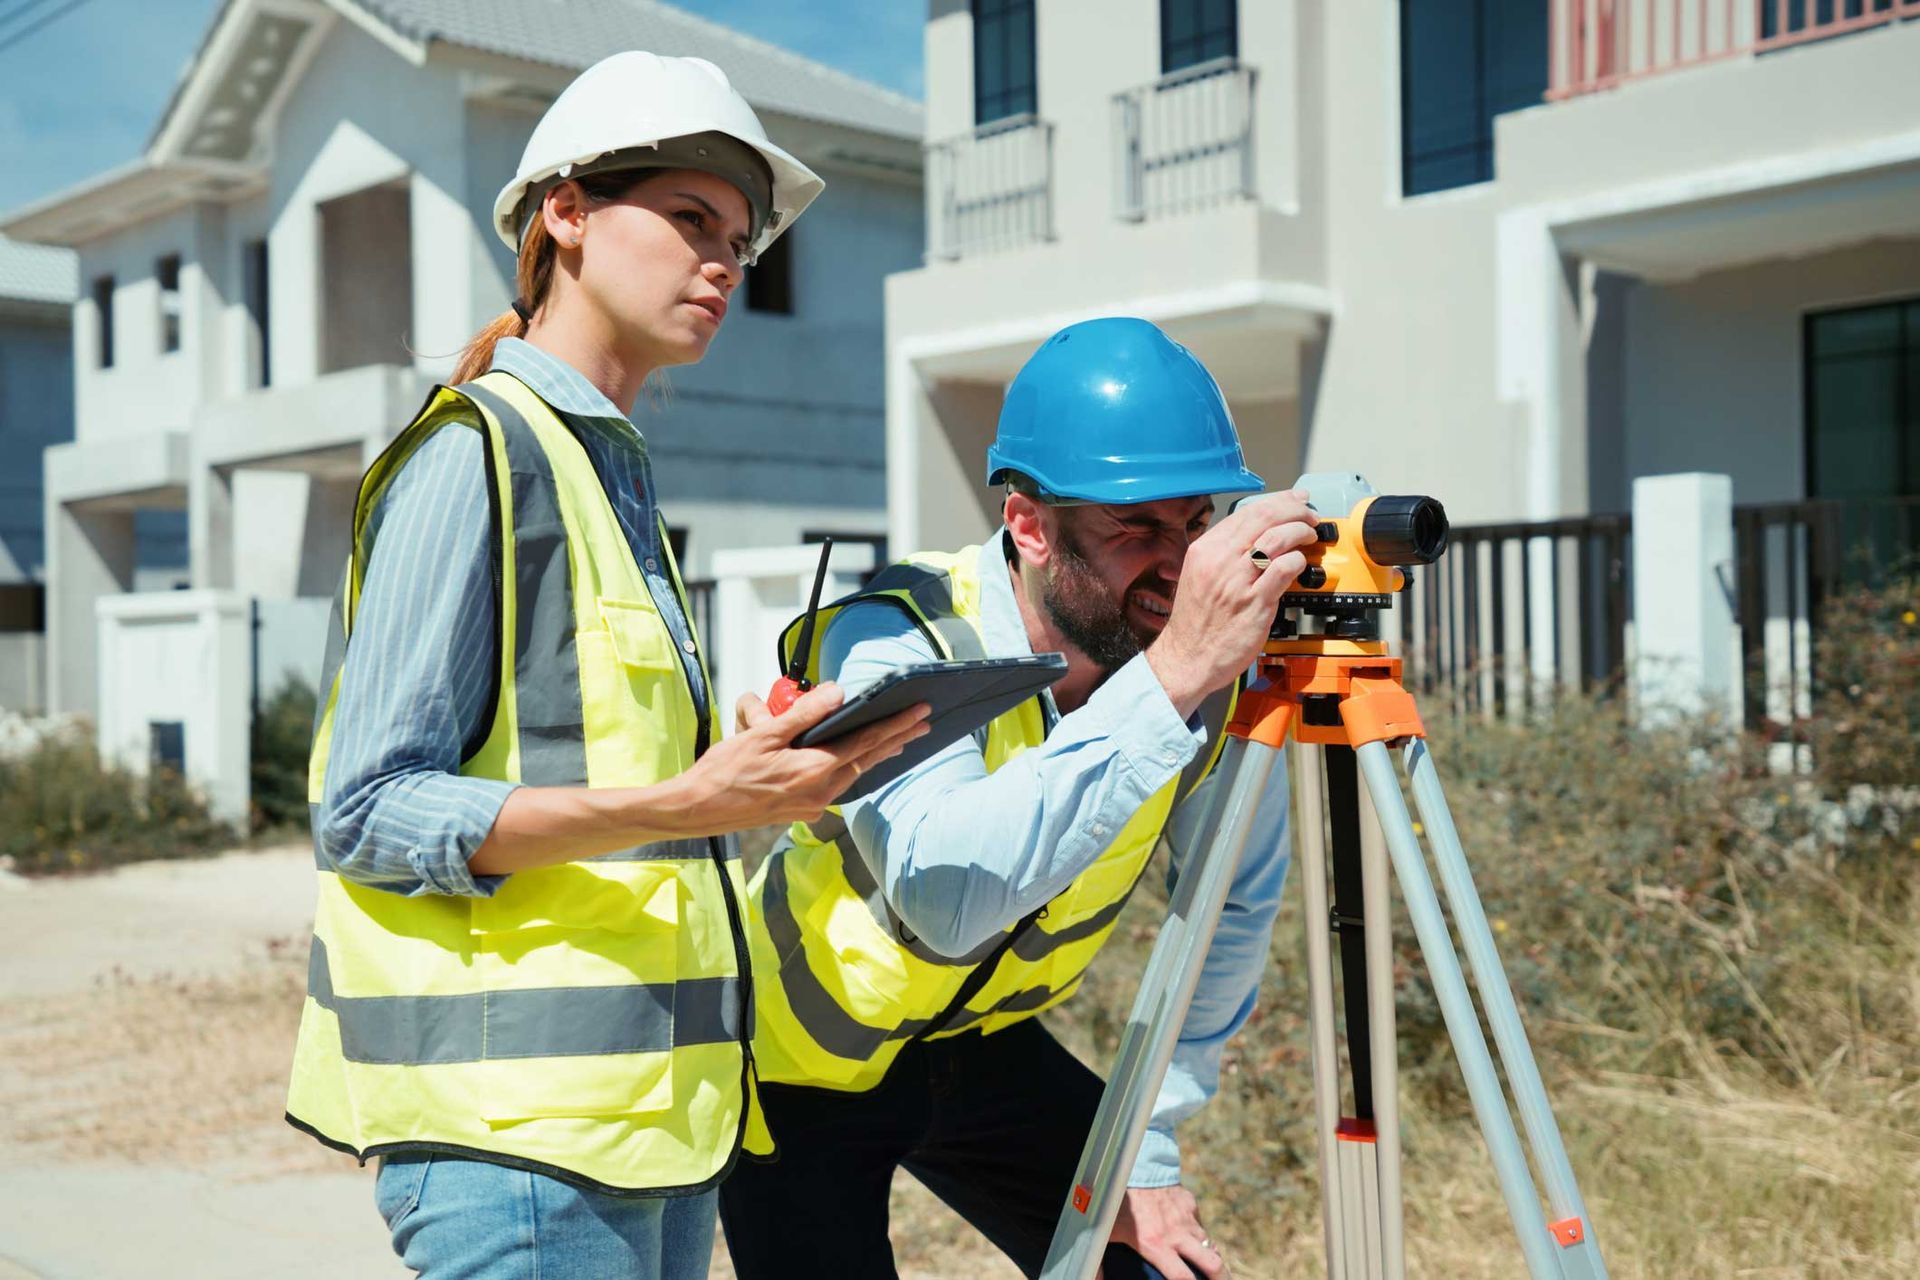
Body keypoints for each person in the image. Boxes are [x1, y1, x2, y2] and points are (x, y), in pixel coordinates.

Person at [283, 51, 928, 1280]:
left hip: (654, 1133)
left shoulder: (607, 472)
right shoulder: (474, 456)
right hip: (517, 1151)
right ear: (566, 212)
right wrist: (685, 801)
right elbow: (366, 809)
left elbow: (600, 800)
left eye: (741, 239)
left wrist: (747, 775)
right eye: (692, 219)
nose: (726, 262)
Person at [718, 317, 1321, 1280]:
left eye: (1196, 523)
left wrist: (1148, 1138)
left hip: (984, 1045)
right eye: (1137, 530)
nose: (1182, 565)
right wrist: (1169, 680)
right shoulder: (898, 637)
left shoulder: (1205, 681)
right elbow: (944, 898)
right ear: (1030, 526)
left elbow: (1231, 910)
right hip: (799, 1064)